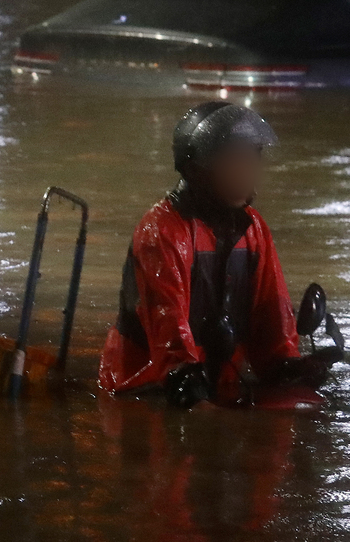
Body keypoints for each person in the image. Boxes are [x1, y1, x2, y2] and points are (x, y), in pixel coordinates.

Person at [98, 101, 333, 408]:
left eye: (249, 160)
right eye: (232, 161)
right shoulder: (163, 230)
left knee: (312, 409)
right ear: (198, 168)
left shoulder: (254, 228)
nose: (244, 172)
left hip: (218, 383)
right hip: (146, 388)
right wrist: (189, 385)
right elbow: (168, 334)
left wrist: (293, 367)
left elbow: (272, 323)